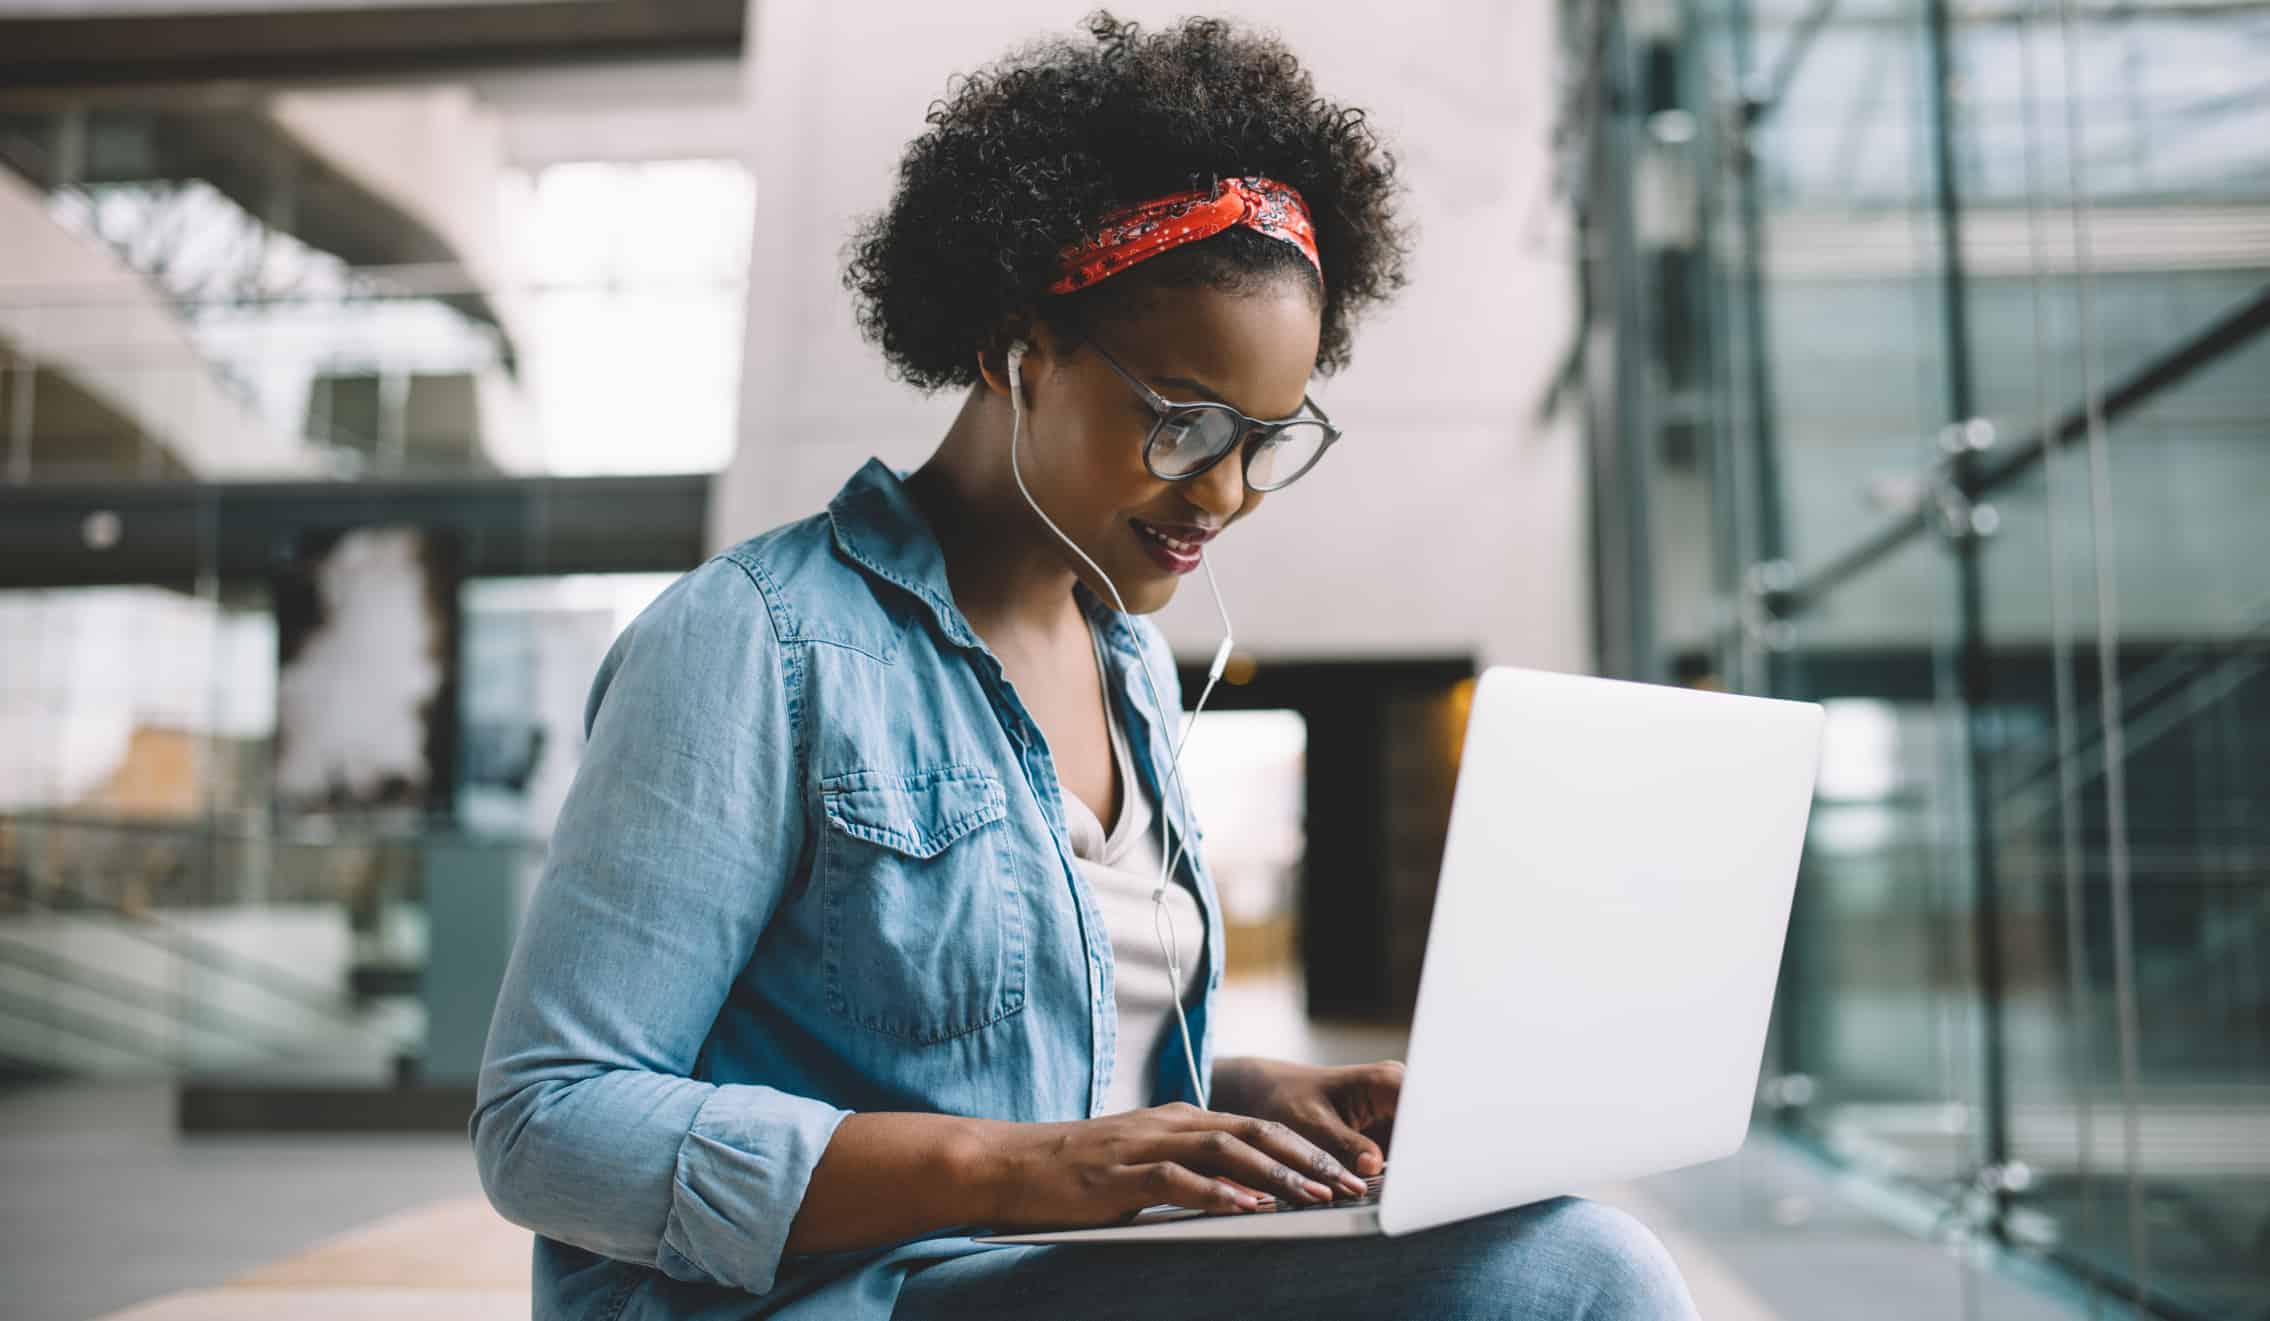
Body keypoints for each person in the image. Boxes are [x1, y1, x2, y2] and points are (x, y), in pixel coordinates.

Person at [470, 13, 1701, 1320]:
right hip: (845, 1298)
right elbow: (550, 1122)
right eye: (1182, 422)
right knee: (1573, 1279)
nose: (1224, 493)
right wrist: (1001, 1170)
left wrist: (1247, 1099)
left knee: (1546, 1236)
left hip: (1046, 1279)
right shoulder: (752, 645)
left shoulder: (1128, 669)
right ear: (1018, 353)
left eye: (1266, 440)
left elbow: (1034, 1067)